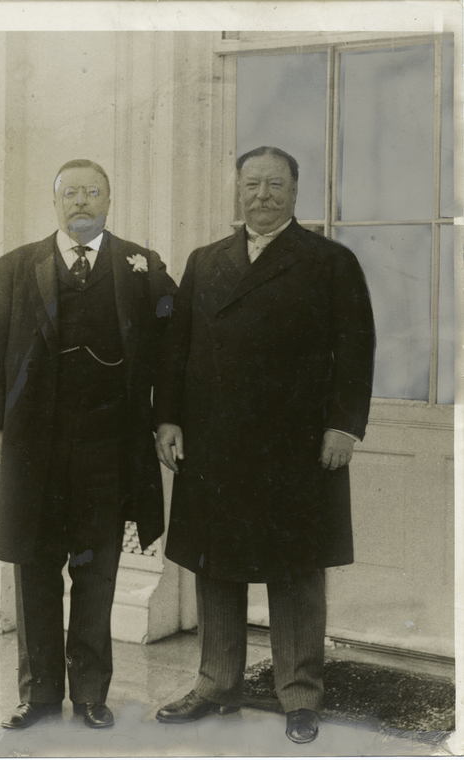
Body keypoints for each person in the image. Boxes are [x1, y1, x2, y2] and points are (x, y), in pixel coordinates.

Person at [153, 146, 375, 743]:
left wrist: (344, 425)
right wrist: (167, 419)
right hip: (215, 441)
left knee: (296, 568)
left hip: (296, 444)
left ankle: (300, 696)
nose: (263, 196)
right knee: (215, 565)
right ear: (237, 190)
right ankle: (215, 683)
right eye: (252, 185)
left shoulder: (330, 261)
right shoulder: (205, 261)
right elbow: (177, 348)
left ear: (296, 191)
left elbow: (355, 352)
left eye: (276, 185)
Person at [0, 159, 177, 730]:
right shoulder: (16, 267)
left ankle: (90, 692)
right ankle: (38, 695)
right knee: (35, 566)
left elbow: (171, 346)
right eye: (71, 194)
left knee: (96, 569)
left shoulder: (142, 266)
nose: (81, 202)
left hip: (108, 451)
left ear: (109, 200)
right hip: (34, 449)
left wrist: (167, 417)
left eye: (93, 192)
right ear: (55, 202)